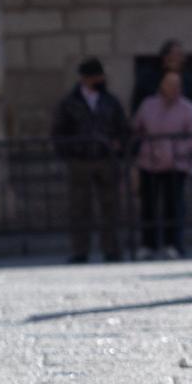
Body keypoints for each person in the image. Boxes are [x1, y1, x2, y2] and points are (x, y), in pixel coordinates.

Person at [52, 58, 132, 263]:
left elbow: (123, 128)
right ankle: (80, 251)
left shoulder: (110, 101)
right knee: (79, 207)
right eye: (98, 76)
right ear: (86, 78)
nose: (101, 79)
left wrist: (118, 145)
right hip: (80, 161)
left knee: (111, 206)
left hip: (106, 159)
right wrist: (71, 151)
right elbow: (59, 132)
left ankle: (111, 249)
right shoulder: (70, 103)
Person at [131, 68, 192, 259]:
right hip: (149, 163)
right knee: (149, 205)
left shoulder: (187, 108)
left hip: (176, 165)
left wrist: (176, 152)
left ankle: (172, 244)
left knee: (173, 205)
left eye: (177, 85)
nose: (173, 88)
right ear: (162, 86)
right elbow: (137, 128)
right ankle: (148, 244)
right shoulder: (148, 105)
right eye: (170, 84)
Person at [132, 39, 187, 113]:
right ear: (165, 57)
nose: (178, 59)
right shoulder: (148, 80)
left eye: (180, 55)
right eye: (174, 55)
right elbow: (137, 106)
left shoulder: (188, 81)